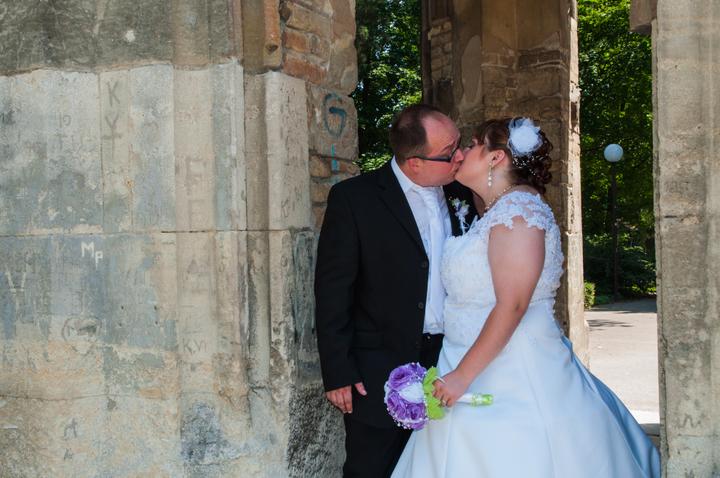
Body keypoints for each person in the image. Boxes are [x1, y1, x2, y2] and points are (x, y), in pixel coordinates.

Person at [392, 117, 661, 477]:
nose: (462, 153)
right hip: (463, 356)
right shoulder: (494, 211)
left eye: (473, 145)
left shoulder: (519, 212)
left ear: (495, 158)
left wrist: (461, 377)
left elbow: (514, 304)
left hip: (513, 369)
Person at [314, 104, 478, 477]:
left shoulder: (465, 194)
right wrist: (337, 370)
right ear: (414, 163)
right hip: (378, 369)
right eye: (449, 152)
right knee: (372, 468)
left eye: (459, 144)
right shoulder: (354, 199)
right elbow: (333, 289)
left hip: (450, 360)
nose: (460, 156)